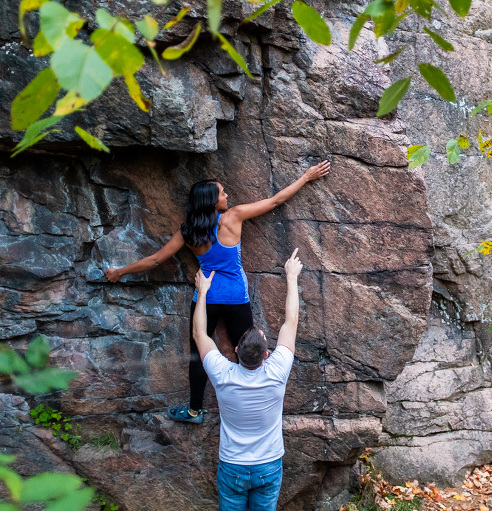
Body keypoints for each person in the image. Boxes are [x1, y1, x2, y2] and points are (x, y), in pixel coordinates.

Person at [104, 161, 329, 422]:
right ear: (212, 202)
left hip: (206, 296)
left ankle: (194, 410)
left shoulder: (188, 231)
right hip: (236, 297)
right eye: (222, 193)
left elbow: (155, 260)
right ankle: (256, 399)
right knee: (248, 349)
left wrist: (119, 272)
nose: (226, 196)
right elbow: (275, 201)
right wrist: (306, 177)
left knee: (198, 352)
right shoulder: (233, 217)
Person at [193, 249, 301, 511]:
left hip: (233, 466)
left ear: (236, 351)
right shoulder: (277, 371)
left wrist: (203, 291)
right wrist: (291, 277)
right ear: (266, 355)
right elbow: (291, 322)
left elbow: (200, 334)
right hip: (268, 464)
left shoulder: (223, 374)